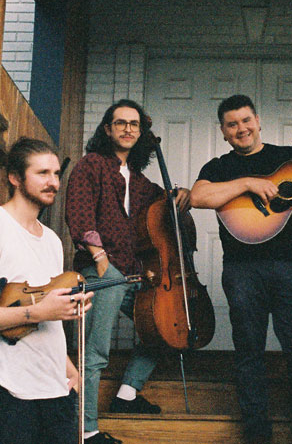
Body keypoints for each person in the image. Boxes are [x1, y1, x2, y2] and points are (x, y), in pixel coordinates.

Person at [190, 94, 292, 444]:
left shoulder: (288, 159)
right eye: (232, 124)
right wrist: (248, 183)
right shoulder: (218, 167)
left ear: (258, 121)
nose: (241, 128)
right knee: (249, 351)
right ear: (224, 132)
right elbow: (198, 197)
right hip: (242, 272)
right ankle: (257, 432)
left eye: (246, 120)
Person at [65, 99, 190, 444]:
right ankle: (86, 430)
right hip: (102, 269)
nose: (128, 129)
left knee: (167, 328)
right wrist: (101, 260)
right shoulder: (91, 164)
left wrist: (181, 195)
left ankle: (127, 393)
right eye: (120, 123)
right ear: (107, 129)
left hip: (134, 272)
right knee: (95, 352)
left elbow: (165, 201)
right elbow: (79, 212)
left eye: (134, 124)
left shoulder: (138, 180)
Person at [0, 137, 93, 444]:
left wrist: (70, 370)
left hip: (53, 388)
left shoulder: (53, 241)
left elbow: (48, 319)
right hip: (2, 391)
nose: (54, 182)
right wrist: (37, 312)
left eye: (57, 174)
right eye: (42, 173)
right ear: (15, 178)